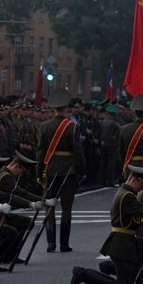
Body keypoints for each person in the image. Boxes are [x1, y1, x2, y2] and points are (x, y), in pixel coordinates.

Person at [69, 165, 143, 284]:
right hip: (121, 245)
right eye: (142, 184)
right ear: (133, 180)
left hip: (130, 240)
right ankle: (82, 274)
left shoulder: (128, 193)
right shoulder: (126, 196)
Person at [37, 88, 86, 252]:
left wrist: (39, 173)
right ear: (66, 108)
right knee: (66, 208)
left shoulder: (44, 126)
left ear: (53, 108)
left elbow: (40, 153)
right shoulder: (72, 127)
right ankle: (64, 244)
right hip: (68, 170)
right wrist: (81, 170)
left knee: (49, 206)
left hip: (49, 170)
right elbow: (78, 152)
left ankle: (51, 242)